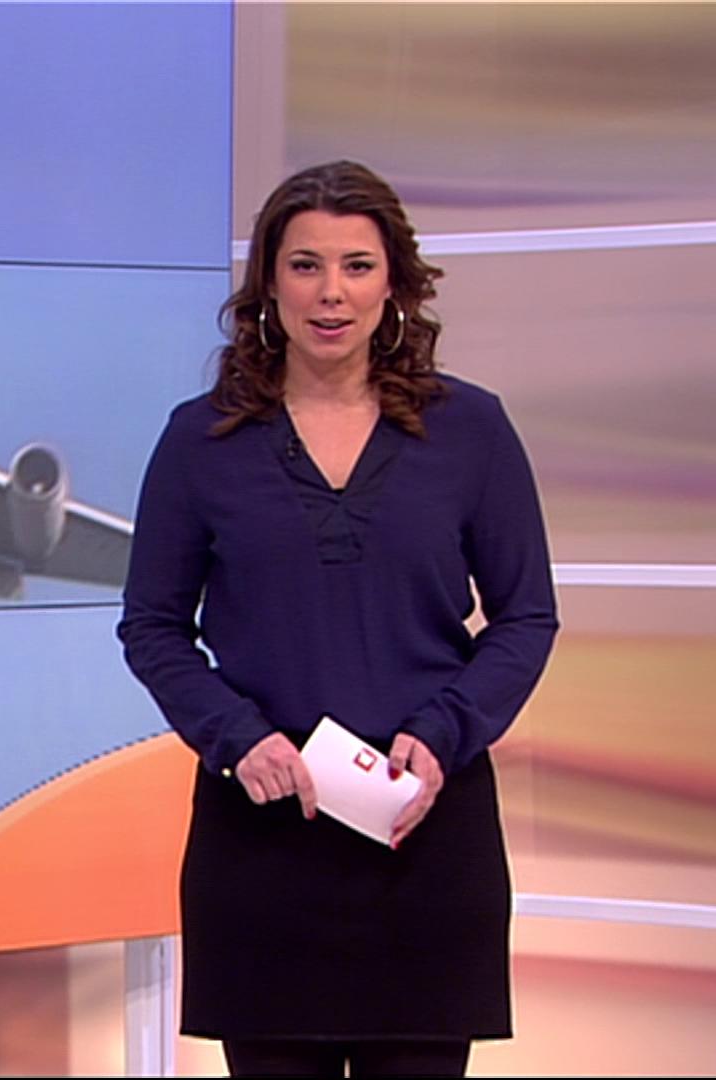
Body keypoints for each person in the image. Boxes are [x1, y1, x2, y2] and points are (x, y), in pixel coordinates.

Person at [116, 160, 559, 1079]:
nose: (331, 293)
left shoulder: (471, 430)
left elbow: (526, 616)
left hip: (424, 833)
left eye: (357, 266)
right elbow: (152, 624)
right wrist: (237, 738)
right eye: (306, 265)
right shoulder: (202, 440)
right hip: (263, 840)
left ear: (393, 282)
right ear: (269, 284)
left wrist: (444, 735)